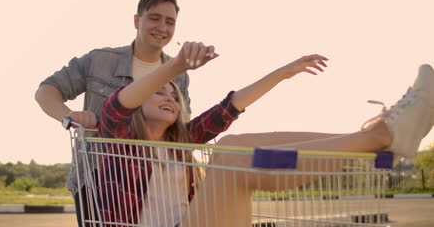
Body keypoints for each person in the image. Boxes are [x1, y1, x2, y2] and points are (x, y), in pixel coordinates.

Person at [97, 42, 434, 227]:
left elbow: (229, 107)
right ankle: (381, 135)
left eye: (174, 94)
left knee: (233, 145)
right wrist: (175, 68)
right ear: (140, 100)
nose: (170, 97)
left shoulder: (181, 142)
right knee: (230, 154)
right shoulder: (118, 139)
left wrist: (284, 72)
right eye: (160, 93)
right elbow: (116, 106)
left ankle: (376, 135)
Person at [34, 0, 193, 227]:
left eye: (170, 22)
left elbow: (182, 128)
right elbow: (46, 91)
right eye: (154, 18)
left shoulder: (178, 73)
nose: (162, 27)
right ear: (137, 21)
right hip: (99, 176)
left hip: (157, 181)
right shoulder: (100, 61)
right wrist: (70, 117)